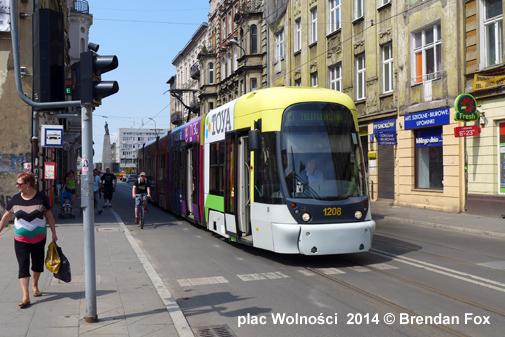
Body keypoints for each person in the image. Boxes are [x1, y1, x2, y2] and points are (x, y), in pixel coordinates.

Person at [0, 172, 58, 308]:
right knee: (23, 265)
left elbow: (49, 216)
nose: (17, 186)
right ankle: (25, 296)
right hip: (21, 240)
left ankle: (35, 286)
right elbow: (6, 217)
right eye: (17, 183)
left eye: (19, 184)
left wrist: (54, 233)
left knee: (37, 264)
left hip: (39, 239)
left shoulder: (41, 198)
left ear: (28, 184)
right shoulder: (15, 199)